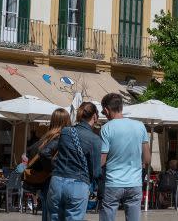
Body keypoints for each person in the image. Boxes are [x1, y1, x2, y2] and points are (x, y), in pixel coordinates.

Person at [43, 102, 101, 221]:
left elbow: (44, 152)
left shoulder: (65, 131)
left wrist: (56, 166)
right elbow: (96, 172)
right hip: (78, 185)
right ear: (94, 116)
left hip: (57, 181)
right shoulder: (95, 139)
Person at [99, 93, 149, 221]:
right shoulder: (140, 126)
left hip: (113, 182)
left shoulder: (106, 128)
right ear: (121, 107)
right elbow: (147, 158)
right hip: (135, 182)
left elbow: (102, 160)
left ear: (106, 110)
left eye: (104, 113)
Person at [28, 108, 72, 221]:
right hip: (52, 180)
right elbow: (44, 153)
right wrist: (54, 169)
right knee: (54, 214)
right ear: (66, 121)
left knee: (47, 212)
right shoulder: (59, 136)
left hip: (44, 181)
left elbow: (31, 151)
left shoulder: (46, 137)